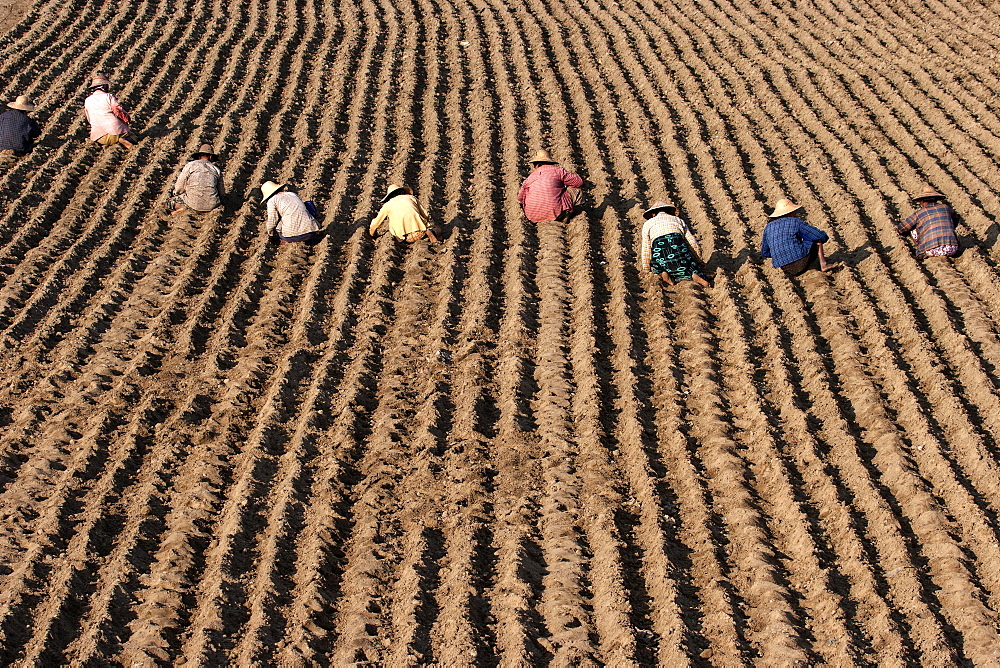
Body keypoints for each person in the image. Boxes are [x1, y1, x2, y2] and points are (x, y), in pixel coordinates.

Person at [761, 197, 841, 276]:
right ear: (791, 213)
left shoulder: (768, 227)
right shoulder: (795, 222)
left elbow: (765, 252)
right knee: (816, 238)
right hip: (801, 262)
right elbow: (820, 236)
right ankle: (824, 264)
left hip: (784, 268)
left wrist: (780, 253)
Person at [640, 200, 711, 287]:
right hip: (680, 254)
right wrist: (699, 261)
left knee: (657, 267)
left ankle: (664, 274)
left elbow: (646, 249)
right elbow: (693, 243)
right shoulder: (678, 220)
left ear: (653, 214)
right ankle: (694, 274)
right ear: (668, 212)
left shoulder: (647, 224)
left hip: (662, 257)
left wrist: (646, 269)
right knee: (691, 266)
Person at [517, 149, 584, 222]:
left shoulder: (529, 178)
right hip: (557, 213)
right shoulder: (558, 171)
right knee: (575, 191)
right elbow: (579, 182)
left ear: (537, 165)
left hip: (532, 217)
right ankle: (566, 214)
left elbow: (520, 198)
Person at [897, 184, 959, 260]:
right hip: (952, 249)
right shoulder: (946, 207)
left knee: (912, 229)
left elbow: (901, 228)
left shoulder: (919, 213)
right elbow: (956, 219)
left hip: (931, 250)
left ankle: (921, 252)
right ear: (936, 199)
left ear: (922, 201)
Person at [369, 184, 439, 243]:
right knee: (435, 228)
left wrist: (372, 234)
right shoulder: (411, 198)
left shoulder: (388, 205)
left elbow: (375, 223)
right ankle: (430, 234)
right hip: (421, 233)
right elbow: (425, 214)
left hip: (404, 238)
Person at [169, 144, 225, 214]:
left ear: (198, 156)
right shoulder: (216, 169)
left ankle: (183, 207)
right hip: (212, 205)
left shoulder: (191, 165)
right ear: (211, 157)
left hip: (193, 203)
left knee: (169, 202)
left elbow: (180, 185)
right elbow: (221, 192)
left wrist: (177, 193)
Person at [84, 74, 135, 149]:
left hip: (99, 136)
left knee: (102, 139)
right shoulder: (108, 96)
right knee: (133, 137)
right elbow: (118, 110)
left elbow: (89, 118)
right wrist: (126, 119)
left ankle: (107, 144)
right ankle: (123, 140)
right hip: (116, 131)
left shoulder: (87, 100)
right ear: (104, 87)